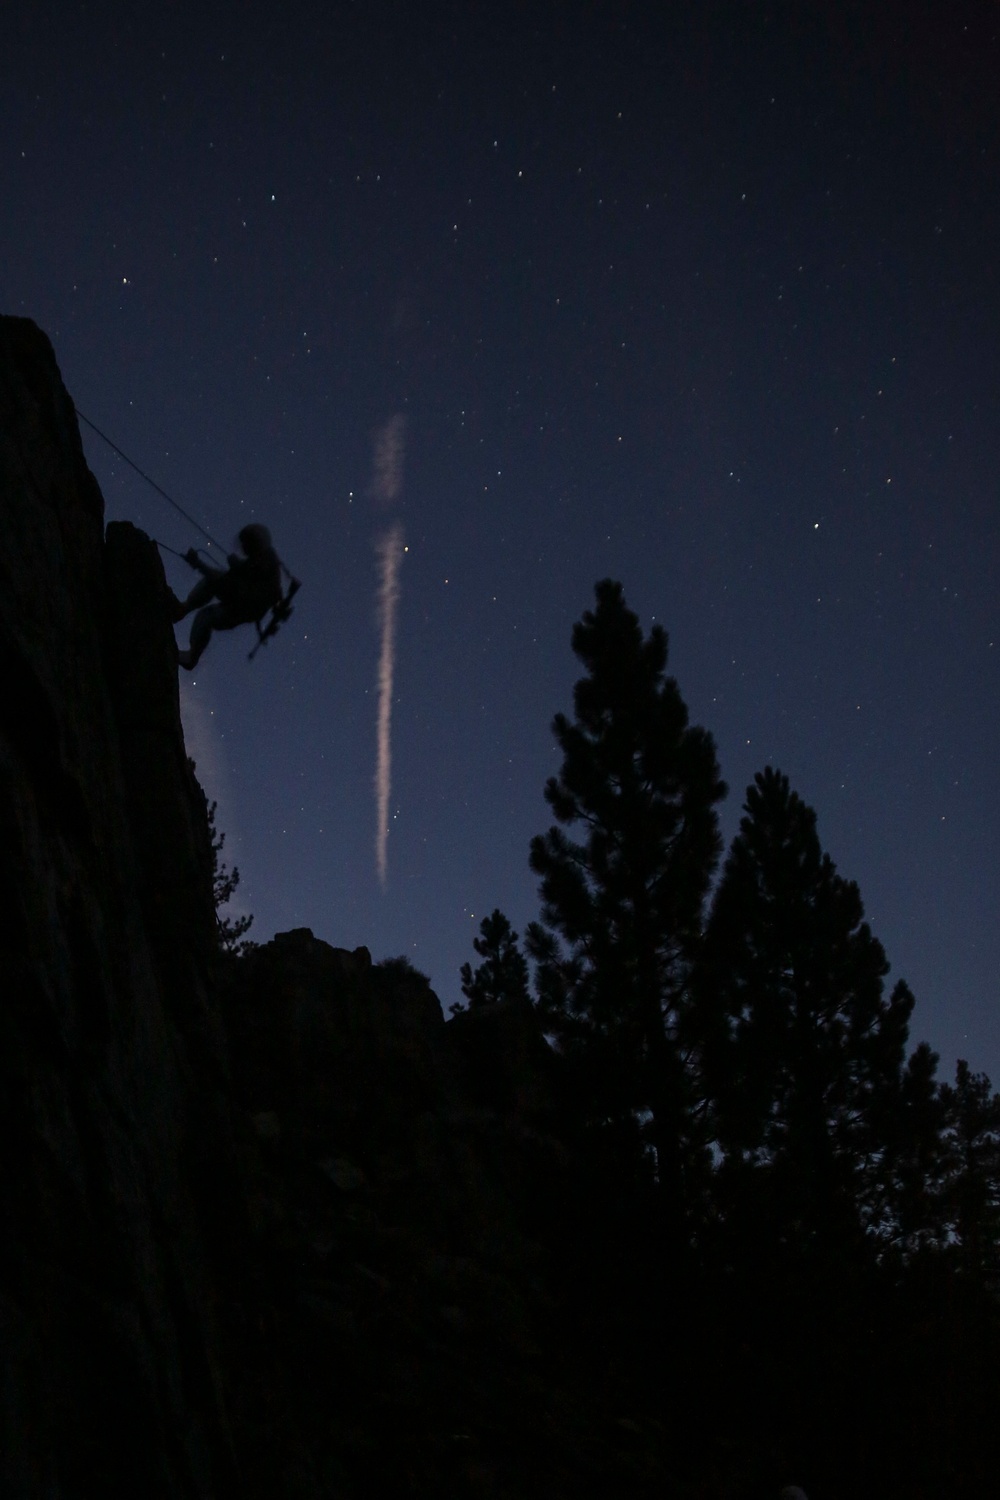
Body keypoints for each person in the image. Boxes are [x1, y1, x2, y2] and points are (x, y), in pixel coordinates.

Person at [171, 523, 282, 669]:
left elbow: (227, 580)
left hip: (245, 606)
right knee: (208, 603)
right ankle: (184, 612)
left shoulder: (265, 562)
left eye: (247, 544)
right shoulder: (260, 560)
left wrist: (198, 563)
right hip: (242, 602)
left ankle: (191, 655)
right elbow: (235, 577)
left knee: (207, 614)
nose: (244, 548)